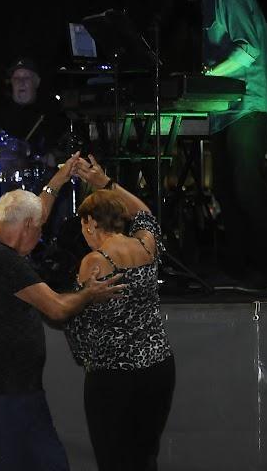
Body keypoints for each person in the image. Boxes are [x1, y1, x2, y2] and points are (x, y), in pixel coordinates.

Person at [0, 156, 124, 471]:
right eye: (39, 229)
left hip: (9, 394)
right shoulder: (5, 262)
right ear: (26, 227)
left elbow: (36, 214)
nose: (40, 237)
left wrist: (59, 179)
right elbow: (57, 309)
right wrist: (90, 293)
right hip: (3, 397)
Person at [168, 0, 267, 287]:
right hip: (226, 109)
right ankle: (240, 267)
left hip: (247, 104)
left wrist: (209, 75)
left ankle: (266, 267)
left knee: (245, 185)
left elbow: (248, 50)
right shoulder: (210, 2)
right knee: (225, 188)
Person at [66, 155, 176, 471]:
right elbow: (144, 213)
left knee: (114, 460)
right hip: (158, 368)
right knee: (144, 457)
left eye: (82, 224)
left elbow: (76, 316)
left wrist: (85, 355)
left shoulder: (94, 262)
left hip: (114, 375)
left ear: (90, 222)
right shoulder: (146, 246)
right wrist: (104, 182)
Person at [0, 57, 70, 206]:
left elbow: (65, 147)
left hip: (40, 178)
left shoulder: (51, 111)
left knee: (61, 191)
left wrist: (52, 156)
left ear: (37, 82)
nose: (21, 82)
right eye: (16, 78)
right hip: (4, 177)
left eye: (27, 78)